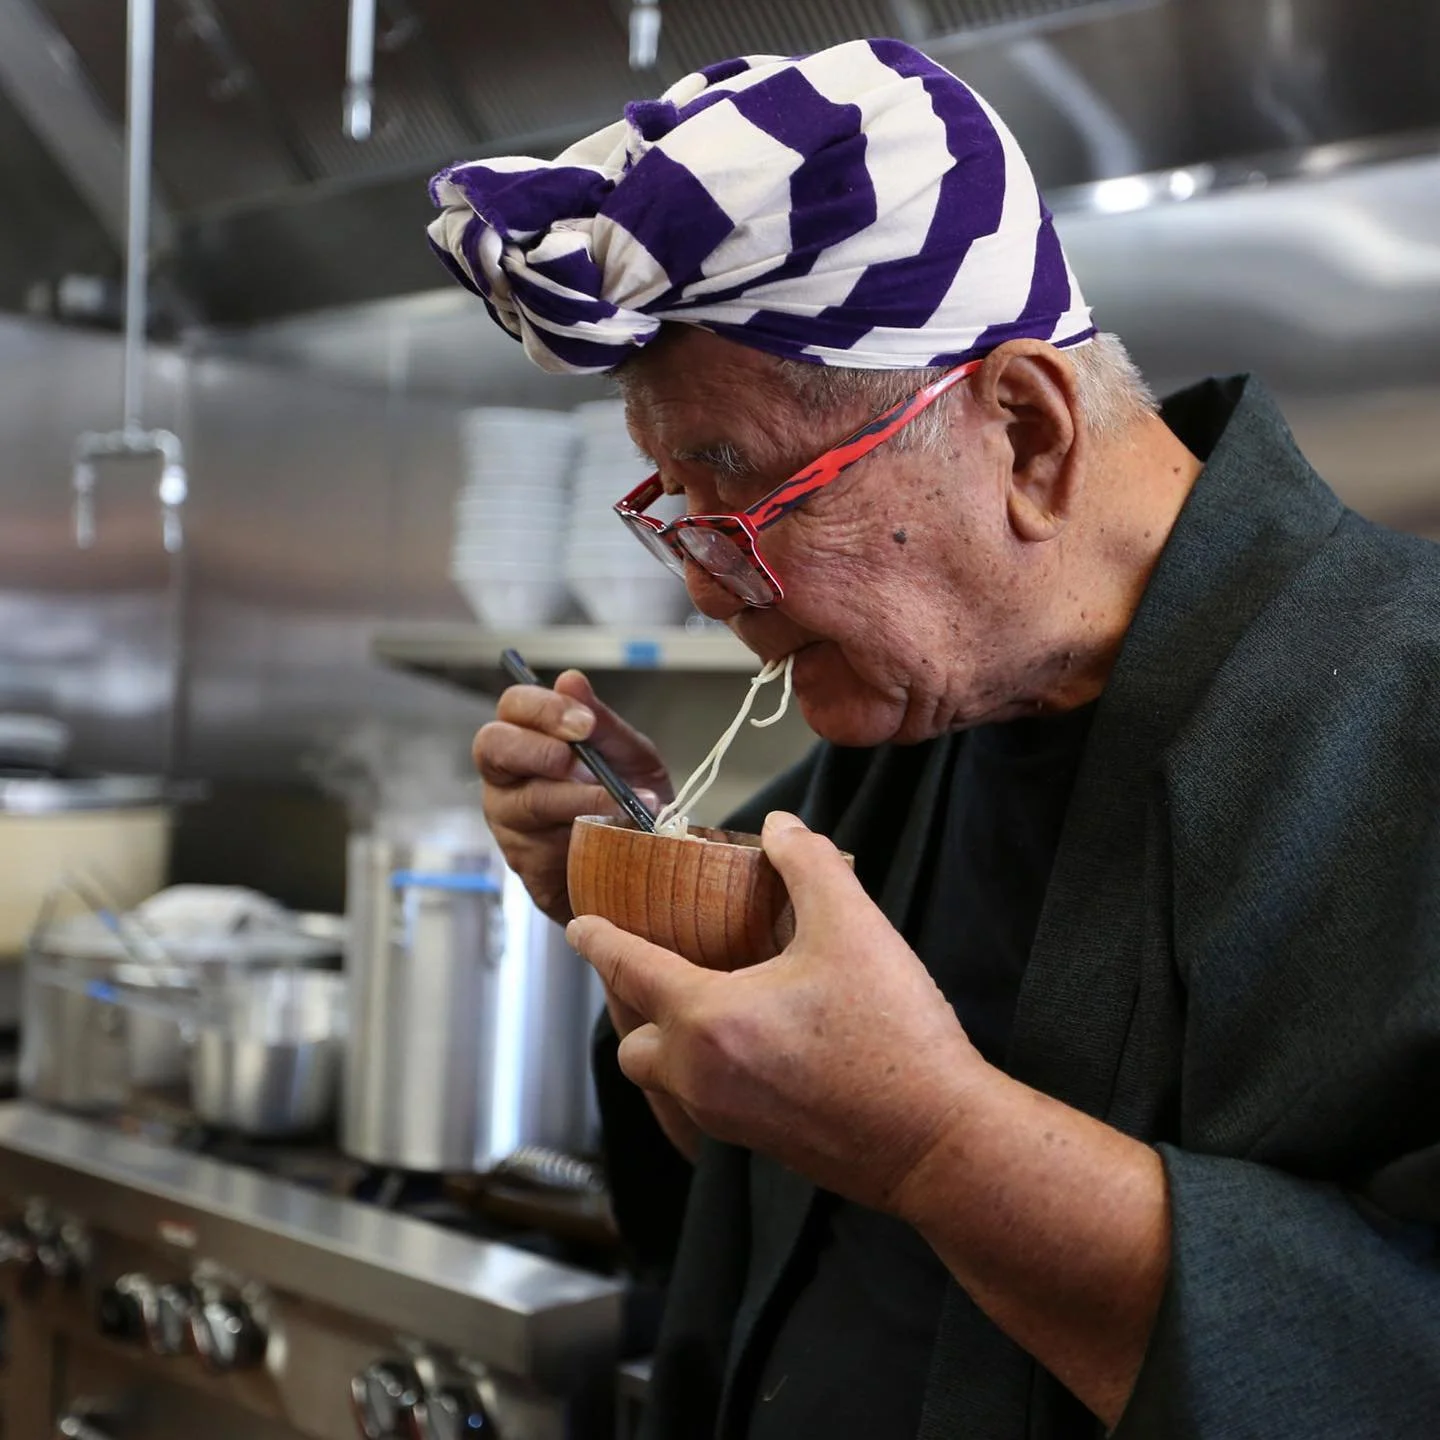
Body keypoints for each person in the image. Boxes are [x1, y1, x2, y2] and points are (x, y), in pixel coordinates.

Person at [428, 38, 1440, 1440]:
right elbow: (753, 1177)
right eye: (676, 506)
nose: (710, 586)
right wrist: (652, 929)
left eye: (747, 493)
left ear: (1024, 431)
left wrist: (937, 1137)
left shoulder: (1402, 712)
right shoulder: (914, 716)